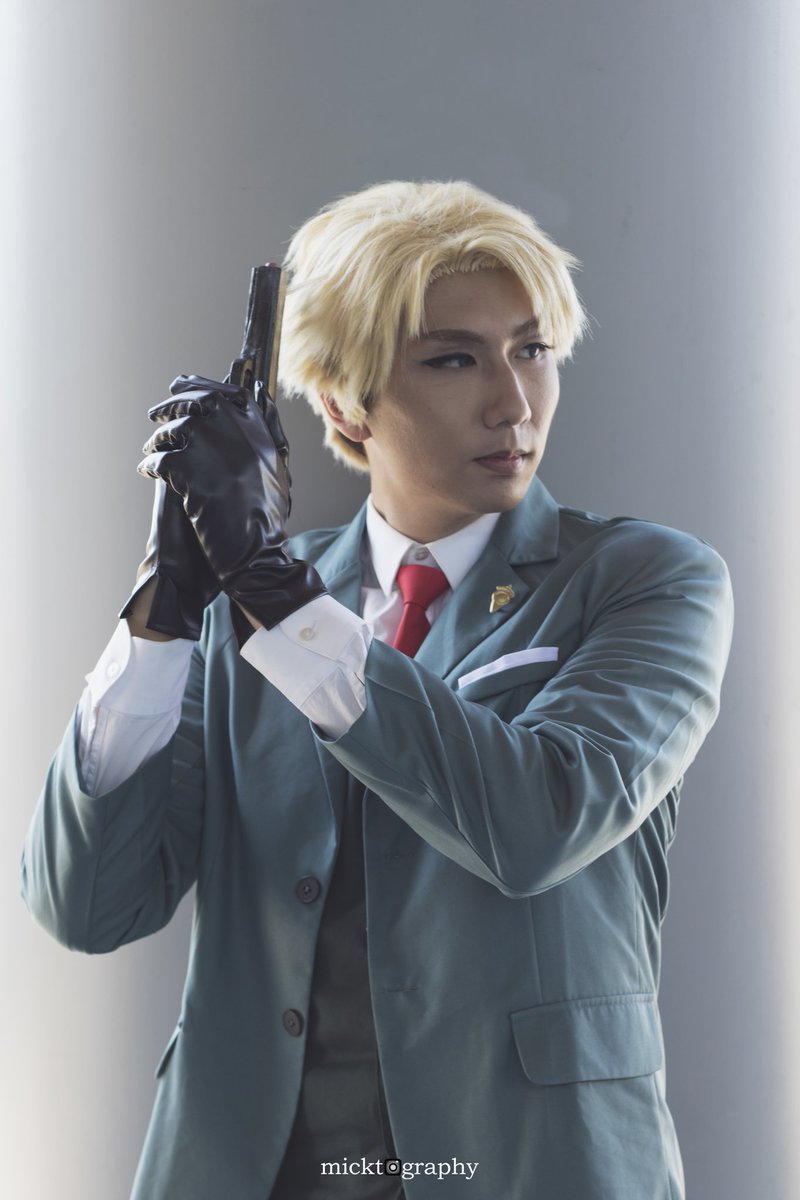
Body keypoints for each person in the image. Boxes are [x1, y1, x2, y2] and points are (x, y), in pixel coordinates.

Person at [21, 179, 734, 1200]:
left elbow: (539, 820)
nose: (513, 401)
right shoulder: (238, 610)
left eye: (532, 349)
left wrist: (274, 590)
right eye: (454, 358)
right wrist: (165, 608)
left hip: (533, 1167)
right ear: (342, 403)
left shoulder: (648, 581)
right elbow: (89, 905)